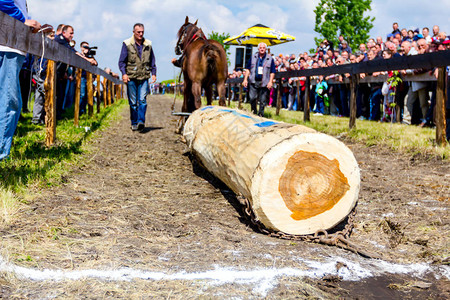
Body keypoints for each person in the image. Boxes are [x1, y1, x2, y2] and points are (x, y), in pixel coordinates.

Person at [0, 1, 41, 161]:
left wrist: (30, 22)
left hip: (10, 45)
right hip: (8, 47)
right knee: (8, 102)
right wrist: (22, 20)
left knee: (10, 102)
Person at [118, 23, 157, 131]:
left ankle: (141, 121)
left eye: (142, 32)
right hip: (131, 77)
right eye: (138, 32)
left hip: (144, 76)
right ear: (133, 32)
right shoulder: (127, 44)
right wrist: (124, 74)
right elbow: (121, 62)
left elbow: (152, 60)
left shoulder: (148, 44)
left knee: (142, 100)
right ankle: (134, 122)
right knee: (133, 103)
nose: (140, 34)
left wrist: (153, 73)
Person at [242, 42, 276, 117]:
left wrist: (270, 81)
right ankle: (254, 112)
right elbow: (248, 69)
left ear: (266, 49)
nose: (262, 49)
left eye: (263, 48)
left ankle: (261, 115)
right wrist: (245, 79)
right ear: (258, 49)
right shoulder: (253, 57)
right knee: (252, 98)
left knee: (262, 100)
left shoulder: (270, 59)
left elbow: (272, 71)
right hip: (253, 81)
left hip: (264, 82)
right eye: (261, 48)